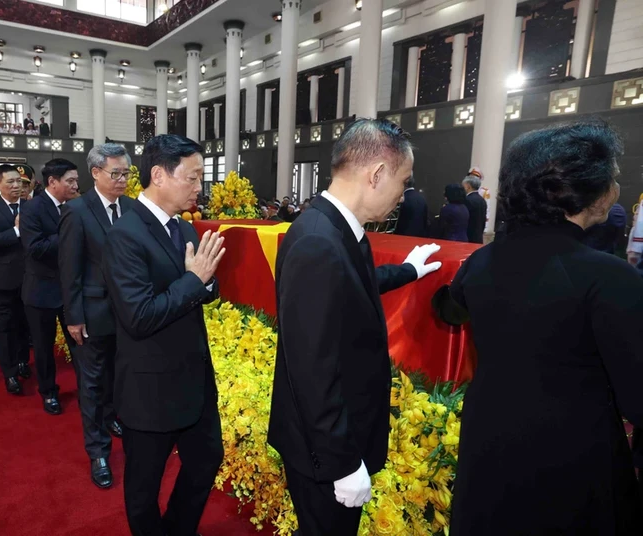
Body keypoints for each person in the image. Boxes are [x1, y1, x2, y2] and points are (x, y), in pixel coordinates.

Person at [436, 122, 643, 535]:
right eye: (613, 177)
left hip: (488, 448)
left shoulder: (481, 262)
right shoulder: (609, 277)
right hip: (572, 466)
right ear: (589, 191)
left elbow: (448, 309)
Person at [268, 119, 441, 536]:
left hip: (334, 438)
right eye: (403, 181)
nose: (403, 194)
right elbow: (312, 369)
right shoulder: (317, 240)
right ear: (376, 174)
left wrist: (407, 271)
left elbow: (351, 286)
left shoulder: (336, 227)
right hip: (324, 451)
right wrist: (342, 463)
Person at [103, 134, 225, 536]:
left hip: (194, 381)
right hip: (151, 389)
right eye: (192, 178)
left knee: (206, 461)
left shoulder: (184, 229)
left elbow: (204, 288)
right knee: (143, 489)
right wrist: (194, 281)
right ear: (158, 175)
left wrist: (204, 284)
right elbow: (138, 316)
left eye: (200, 178)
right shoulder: (126, 235)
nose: (198, 187)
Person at [58, 143, 138, 488]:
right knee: (90, 384)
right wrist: (73, 317)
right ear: (95, 173)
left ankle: (113, 417)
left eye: (126, 173)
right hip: (90, 313)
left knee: (121, 379)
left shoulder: (133, 208)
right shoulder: (77, 211)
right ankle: (99, 452)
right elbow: (69, 269)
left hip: (129, 314)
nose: (122, 180)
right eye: (115, 173)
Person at [20, 159, 79, 415]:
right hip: (41, 290)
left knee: (80, 345)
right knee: (44, 348)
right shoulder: (32, 209)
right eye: (71, 181)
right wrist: (67, 235)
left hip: (72, 290)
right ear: (52, 182)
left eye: (77, 180)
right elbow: (35, 248)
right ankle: (48, 392)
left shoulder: (77, 206)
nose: (76, 186)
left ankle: (88, 391)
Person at [0, 164, 31, 396]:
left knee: (25, 325)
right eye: (10, 182)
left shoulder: (31, 207)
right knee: (5, 328)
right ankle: (9, 373)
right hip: (1, 281)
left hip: (29, 279)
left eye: (18, 181)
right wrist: (17, 231)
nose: (15, 186)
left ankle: (23, 361)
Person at [462, 174, 488, 244]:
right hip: (479, 236)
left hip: (469, 237)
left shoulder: (467, 200)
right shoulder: (482, 200)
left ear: (468, 186)